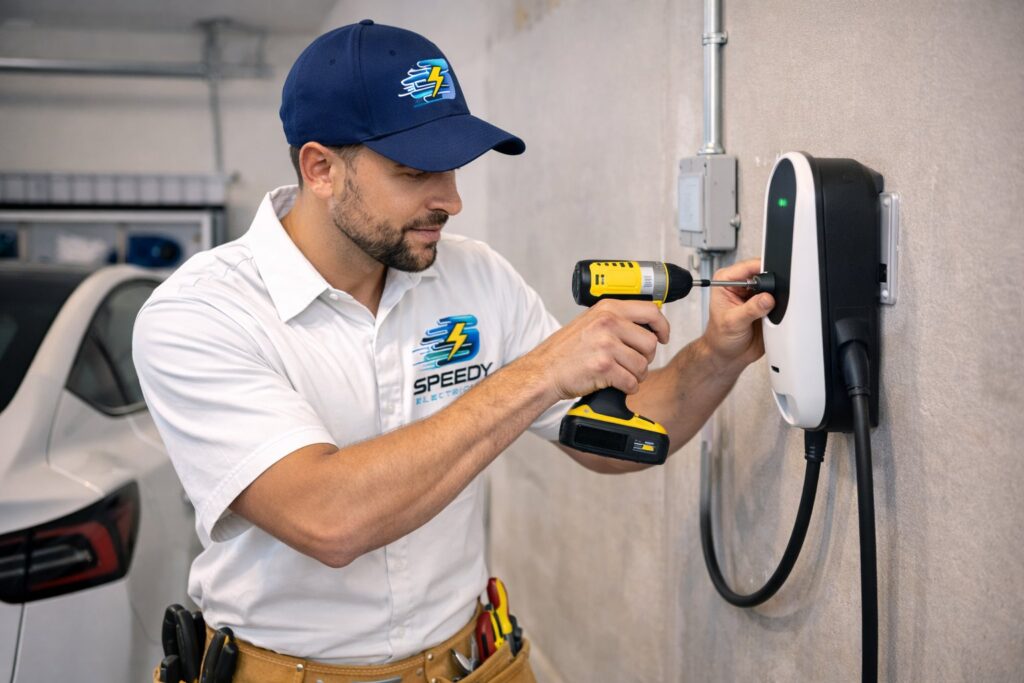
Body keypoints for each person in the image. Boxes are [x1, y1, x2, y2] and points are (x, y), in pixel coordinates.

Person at [133, 20, 774, 683]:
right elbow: (328, 517)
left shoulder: (476, 277)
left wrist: (717, 354)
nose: (451, 200)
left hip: (471, 663)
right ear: (320, 168)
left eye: (453, 166)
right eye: (415, 171)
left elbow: (612, 430)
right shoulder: (201, 314)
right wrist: (539, 372)